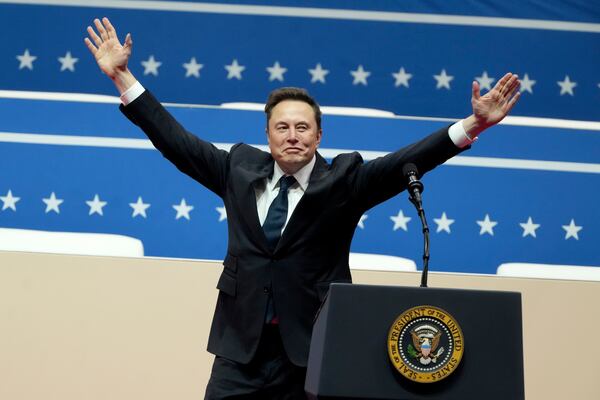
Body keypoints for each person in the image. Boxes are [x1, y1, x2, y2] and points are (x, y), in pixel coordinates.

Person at [84, 17, 520, 399]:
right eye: (282, 127)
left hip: (312, 352)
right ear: (269, 135)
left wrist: (473, 125)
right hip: (240, 353)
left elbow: (405, 160)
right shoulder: (236, 169)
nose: (292, 135)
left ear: (318, 136)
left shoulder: (344, 181)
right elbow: (176, 142)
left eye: (302, 127)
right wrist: (123, 79)